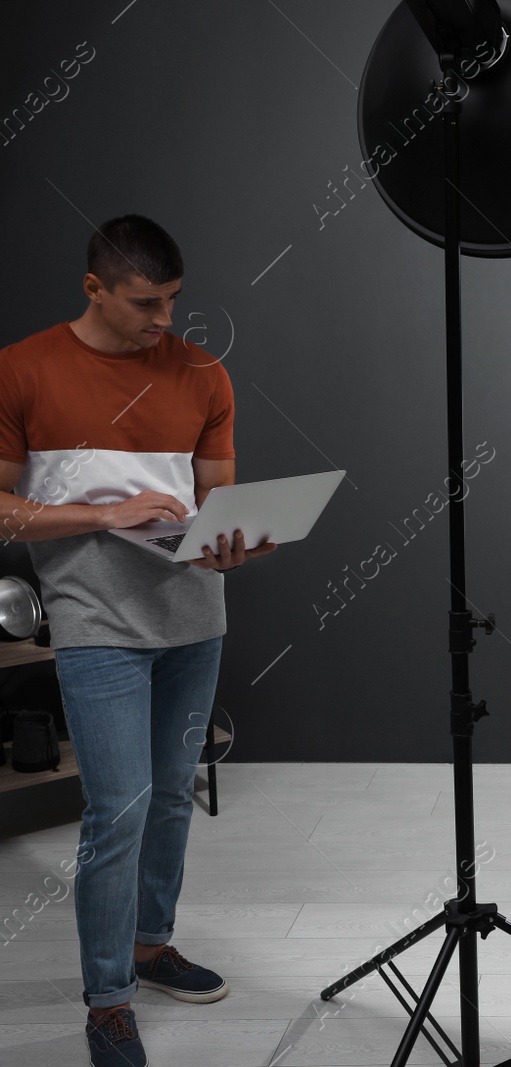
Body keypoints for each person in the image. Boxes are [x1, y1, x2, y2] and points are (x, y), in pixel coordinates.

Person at [0, 215, 275, 1067]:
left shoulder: (204, 372)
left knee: (166, 798)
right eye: (146, 303)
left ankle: (152, 945)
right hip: (96, 620)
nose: (165, 320)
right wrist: (103, 512)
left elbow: (216, 500)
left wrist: (238, 538)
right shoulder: (22, 369)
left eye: (173, 301)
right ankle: (108, 1000)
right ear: (94, 289)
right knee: (113, 811)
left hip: (195, 615)